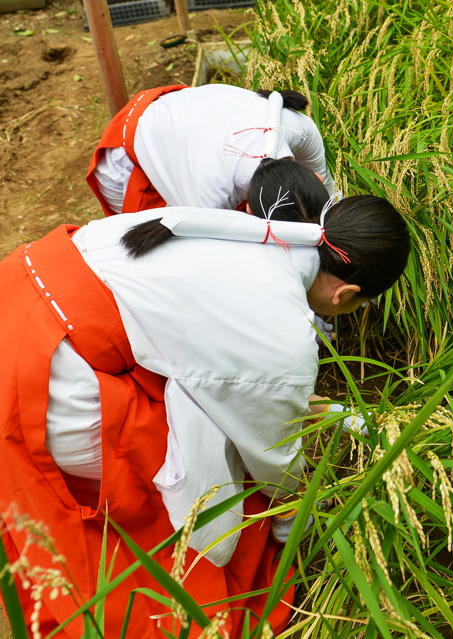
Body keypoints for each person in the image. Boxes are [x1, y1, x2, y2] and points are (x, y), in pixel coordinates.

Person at [0, 157, 410, 637]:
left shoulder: (256, 231)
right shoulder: (284, 336)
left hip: (20, 290)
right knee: (185, 493)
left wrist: (324, 409)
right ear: (346, 293)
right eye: (359, 306)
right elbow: (276, 463)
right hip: (41, 376)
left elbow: (250, 378)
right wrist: (290, 535)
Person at [86, 84, 336, 216]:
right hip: (125, 156)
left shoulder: (300, 128)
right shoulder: (208, 197)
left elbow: (327, 190)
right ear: (248, 210)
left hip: (186, 119)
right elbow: (210, 257)